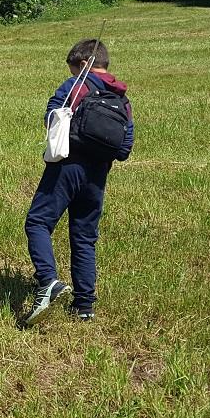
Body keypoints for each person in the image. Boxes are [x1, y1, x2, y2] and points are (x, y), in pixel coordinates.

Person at [23, 37, 135, 325]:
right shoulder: (122, 99)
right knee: (85, 237)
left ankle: (48, 281)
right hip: (98, 174)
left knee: (38, 222)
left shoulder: (75, 86)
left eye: (75, 69)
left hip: (67, 166)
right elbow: (124, 148)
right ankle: (84, 305)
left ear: (84, 65)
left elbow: (51, 119)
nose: (73, 75)